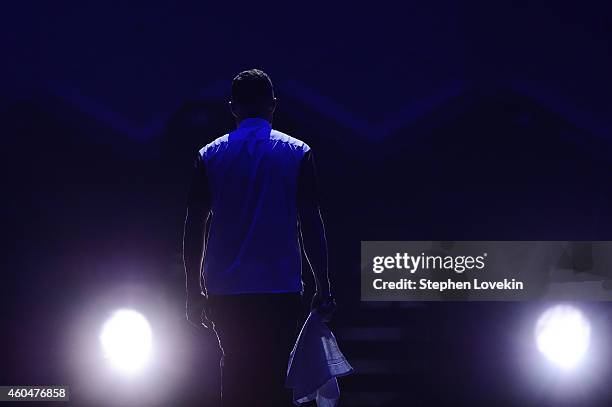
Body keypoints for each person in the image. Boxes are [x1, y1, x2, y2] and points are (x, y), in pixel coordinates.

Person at [183, 69, 334, 406]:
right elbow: (310, 222)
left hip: (227, 288)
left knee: (236, 371)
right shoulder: (297, 153)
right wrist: (323, 287)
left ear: (233, 107)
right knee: (278, 376)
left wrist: (194, 290)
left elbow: (195, 226)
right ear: (273, 105)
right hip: (279, 285)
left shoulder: (210, 155)